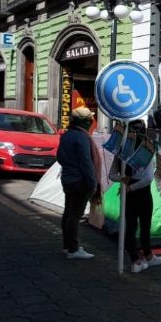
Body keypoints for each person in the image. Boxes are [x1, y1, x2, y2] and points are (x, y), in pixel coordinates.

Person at [110, 119, 161, 273]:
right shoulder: (145, 149)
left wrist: (124, 181)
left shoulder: (122, 149)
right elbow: (148, 178)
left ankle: (137, 260)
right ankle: (144, 257)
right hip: (141, 192)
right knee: (145, 226)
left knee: (130, 227)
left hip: (128, 191)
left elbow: (112, 175)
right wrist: (131, 187)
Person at [56, 107, 101, 259]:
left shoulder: (67, 135)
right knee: (75, 215)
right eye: (90, 119)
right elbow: (86, 164)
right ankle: (73, 249)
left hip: (67, 179)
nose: (91, 122)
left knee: (68, 213)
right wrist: (93, 184)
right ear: (85, 122)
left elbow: (60, 158)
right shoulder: (82, 138)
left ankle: (67, 245)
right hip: (80, 181)